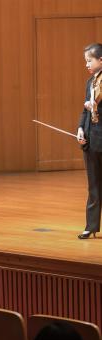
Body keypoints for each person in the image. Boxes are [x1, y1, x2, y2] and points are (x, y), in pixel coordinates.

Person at [77, 43, 102, 239]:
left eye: (89, 60)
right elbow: (85, 110)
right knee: (93, 185)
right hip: (91, 139)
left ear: (101, 59)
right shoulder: (89, 82)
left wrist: (97, 107)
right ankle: (91, 225)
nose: (86, 64)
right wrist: (80, 129)